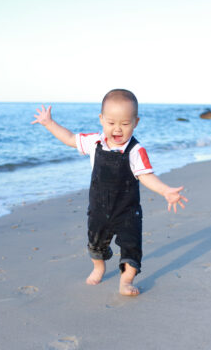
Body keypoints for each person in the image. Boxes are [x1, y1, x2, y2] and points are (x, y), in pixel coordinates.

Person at [31, 89, 188, 296]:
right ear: (101, 119)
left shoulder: (135, 150)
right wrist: (49, 123)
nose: (117, 129)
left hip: (127, 211)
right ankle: (99, 266)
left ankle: (126, 280)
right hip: (99, 208)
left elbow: (146, 176)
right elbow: (69, 138)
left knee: (131, 247)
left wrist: (165, 190)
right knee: (95, 244)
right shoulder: (94, 141)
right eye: (111, 123)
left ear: (136, 122)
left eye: (125, 124)